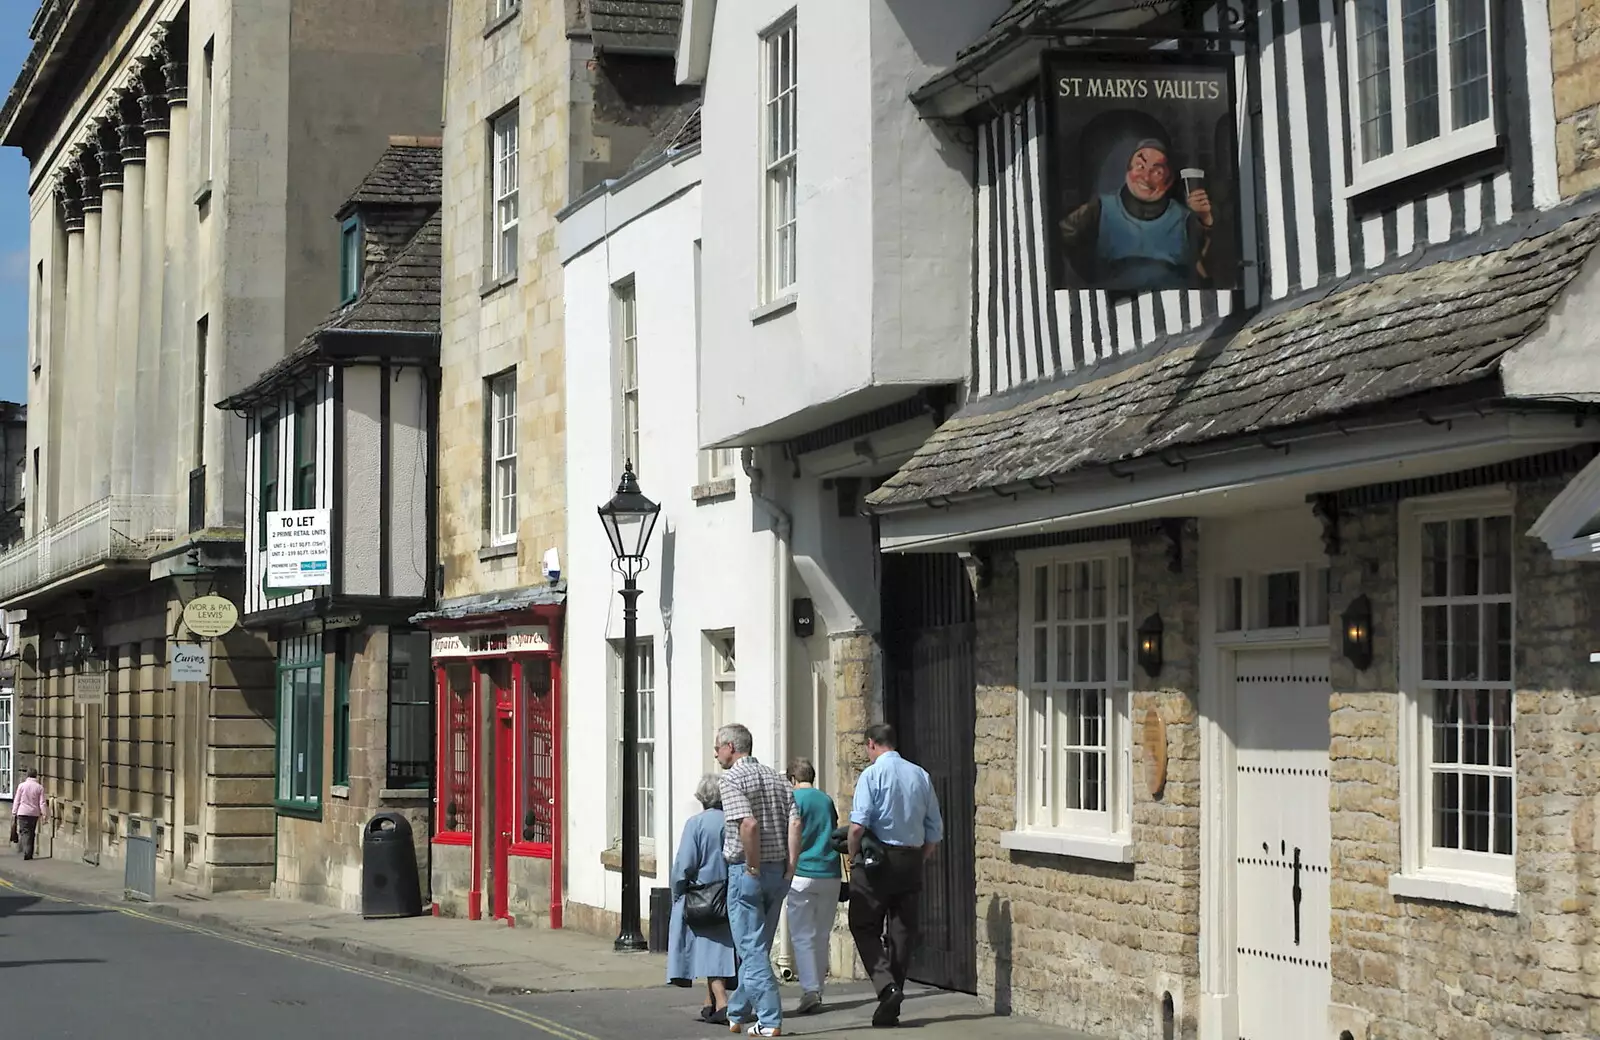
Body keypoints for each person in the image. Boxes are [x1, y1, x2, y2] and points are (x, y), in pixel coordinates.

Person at [847, 724, 943, 1029]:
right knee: (902, 931)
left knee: (862, 924)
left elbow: (858, 826)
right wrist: (919, 857)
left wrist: (853, 857)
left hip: (876, 860)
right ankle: (892, 1001)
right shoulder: (920, 775)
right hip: (911, 858)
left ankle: (887, 988)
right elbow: (935, 831)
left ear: (872, 744)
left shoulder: (871, 775)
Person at [716, 723, 798, 1038]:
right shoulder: (778, 779)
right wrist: (791, 865)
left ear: (731, 748)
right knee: (759, 948)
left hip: (747, 870)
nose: (716, 753)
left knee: (750, 948)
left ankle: (770, 1019)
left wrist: (751, 864)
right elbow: (795, 824)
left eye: (718, 747)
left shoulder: (732, 778)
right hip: (779, 870)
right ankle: (737, 1013)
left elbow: (748, 824)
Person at [1058, 138, 1219, 291]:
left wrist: (1206, 219)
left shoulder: (1183, 218)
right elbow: (1058, 238)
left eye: (1157, 171)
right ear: (1127, 171)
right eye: (1140, 166)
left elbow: (1208, 269)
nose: (1146, 177)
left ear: (1169, 180)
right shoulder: (1100, 208)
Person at [668, 774, 739, 1024]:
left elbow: (683, 866)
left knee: (708, 946)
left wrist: (677, 893)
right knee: (719, 946)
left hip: (702, 894)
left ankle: (721, 1002)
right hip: (730, 891)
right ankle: (709, 1001)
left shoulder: (695, 824)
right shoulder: (732, 821)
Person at [784, 758, 841, 1016]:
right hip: (830, 872)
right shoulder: (826, 800)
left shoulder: (795, 800)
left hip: (803, 872)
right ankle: (817, 988)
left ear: (793, 780)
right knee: (822, 934)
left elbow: (792, 832)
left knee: (802, 935)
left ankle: (811, 990)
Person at [13, 768, 47, 861]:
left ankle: (26, 852)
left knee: (24, 832)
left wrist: (14, 812)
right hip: (34, 813)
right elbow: (42, 802)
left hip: (22, 812)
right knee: (31, 832)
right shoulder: (39, 787)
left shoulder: (21, 786)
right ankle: (29, 852)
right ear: (36, 775)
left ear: (27, 775)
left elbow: (17, 800)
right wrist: (44, 814)